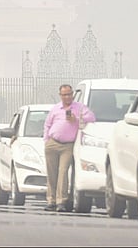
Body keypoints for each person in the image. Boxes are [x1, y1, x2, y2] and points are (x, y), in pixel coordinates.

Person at [43, 84, 95, 212]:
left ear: (72, 94)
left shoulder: (80, 108)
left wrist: (76, 119)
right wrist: (46, 140)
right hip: (53, 143)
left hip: (68, 145)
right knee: (52, 173)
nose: (67, 97)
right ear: (60, 96)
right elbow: (47, 124)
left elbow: (92, 118)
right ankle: (51, 200)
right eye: (64, 95)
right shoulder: (55, 109)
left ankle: (61, 201)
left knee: (63, 171)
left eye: (69, 94)